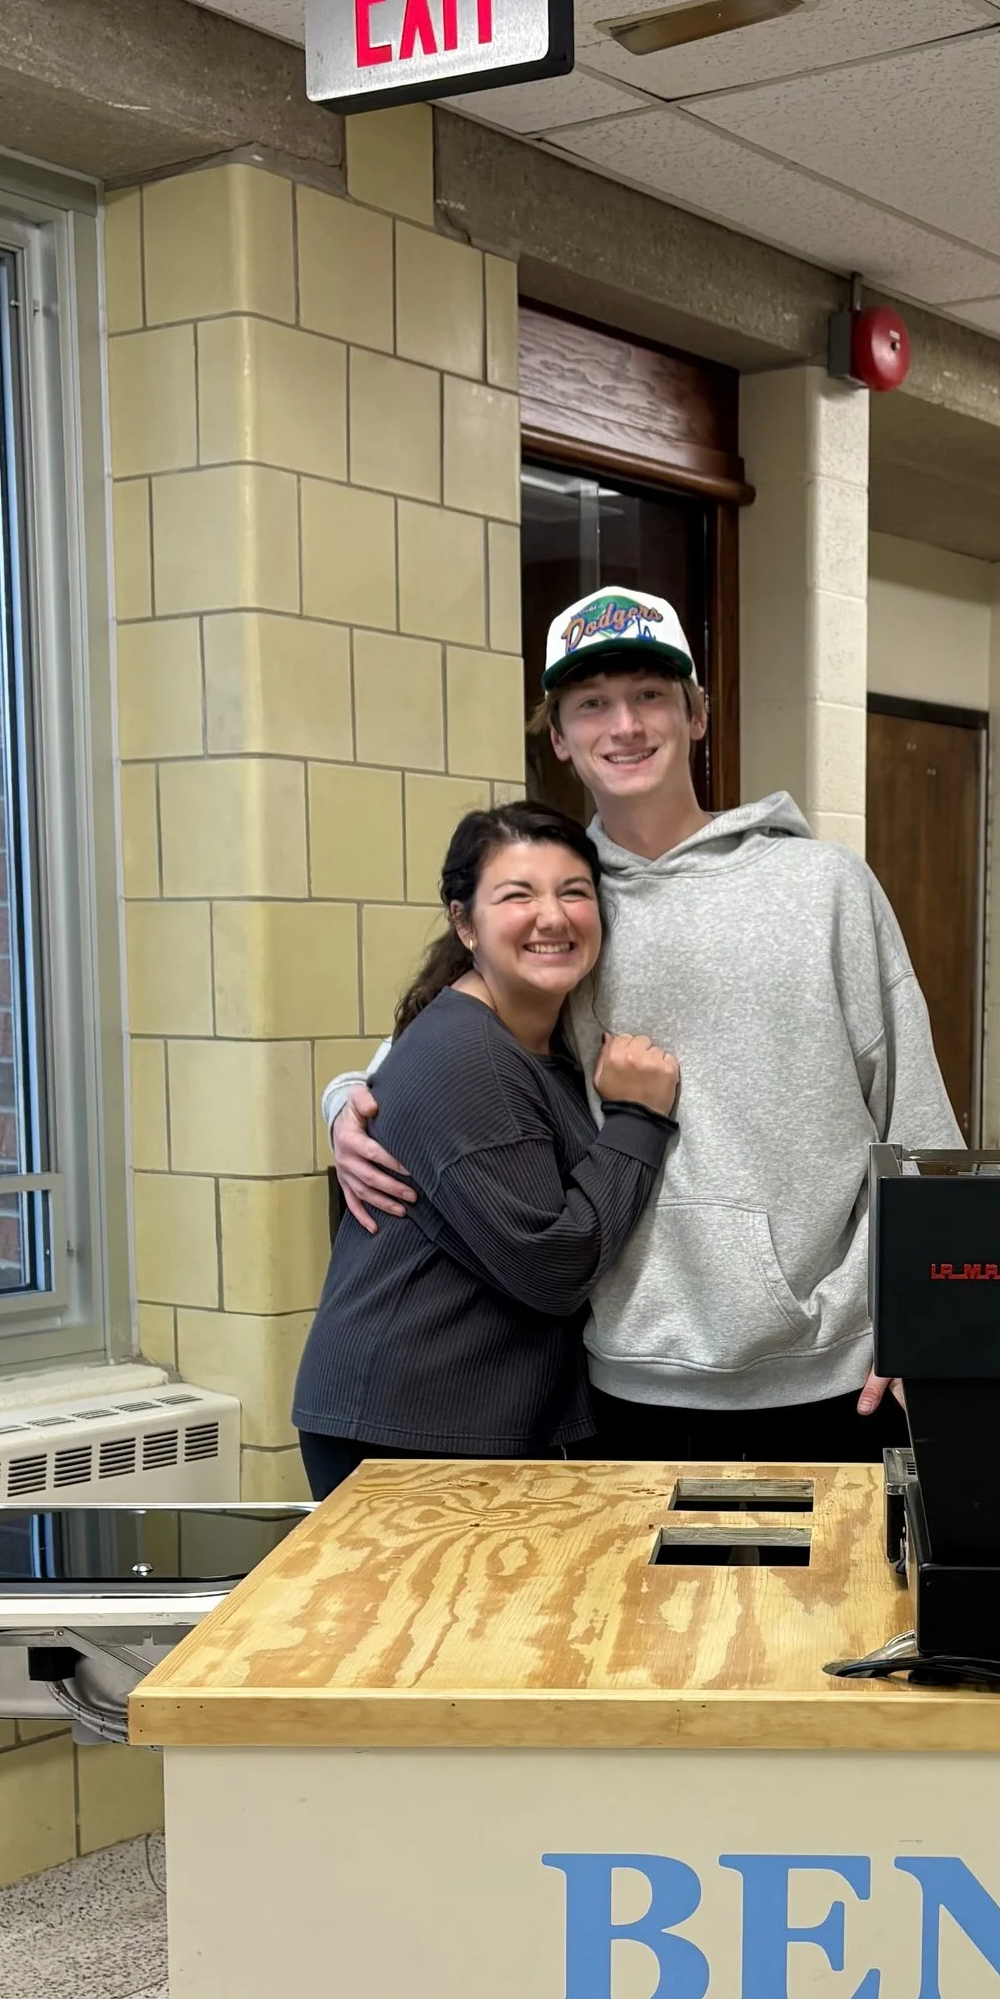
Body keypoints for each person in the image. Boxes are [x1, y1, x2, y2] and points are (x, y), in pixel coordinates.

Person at [323, 585, 961, 1466]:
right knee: (649, 1613)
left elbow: (918, 1125)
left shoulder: (826, 889)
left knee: (825, 1610)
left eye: (650, 695)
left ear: (697, 713)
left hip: (831, 1373)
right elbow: (434, 1056)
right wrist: (343, 1104)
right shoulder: (564, 913)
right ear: (558, 736)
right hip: (622, 1382)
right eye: (592, 704)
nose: (624, 724)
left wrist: (929, 1318)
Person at [291, 800, 679, 1502]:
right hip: (402, 1430)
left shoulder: (533, 1039)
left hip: (456, 1418)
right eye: (517, 895)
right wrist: (638, 1118)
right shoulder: (470, 1056)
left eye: (573, 891)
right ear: (464, 922)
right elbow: (553, 1262)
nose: (552, 916)